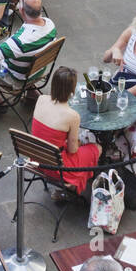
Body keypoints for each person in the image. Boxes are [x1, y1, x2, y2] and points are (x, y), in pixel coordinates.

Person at [31, 66, 101, 194]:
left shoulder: (41, 99)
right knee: (96, 147)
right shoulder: (72, 116)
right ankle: (71, 189)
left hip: (37, 158)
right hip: (57, 168)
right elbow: (72, 150)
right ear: (72, 90)